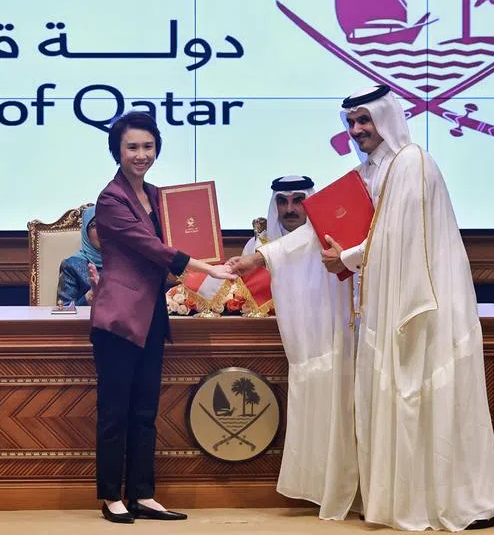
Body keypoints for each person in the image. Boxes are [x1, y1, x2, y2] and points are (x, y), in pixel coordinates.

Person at [228, 85, 494, 531]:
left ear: (386, 117)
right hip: (386, 302)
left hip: (422, 305)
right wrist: (260, 257)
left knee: (424, 396)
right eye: (351, 122)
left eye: (364, 119)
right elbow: (315, 230)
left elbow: (398, 233)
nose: (357, 129)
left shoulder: (412, 162)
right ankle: (401, 499)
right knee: (398, 398)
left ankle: (456, 500)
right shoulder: (370, 171)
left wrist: (346, 258)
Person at [89, 111, 235, 524]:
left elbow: (179, 241)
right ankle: (110, 496)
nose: (141, 154)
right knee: (115, 412)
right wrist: (207, 267)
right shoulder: (110, 199)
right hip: (119, 318)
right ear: (117, 151)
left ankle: (142, 493)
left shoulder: (158, 196)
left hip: (152, 314)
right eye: (132, 147)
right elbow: (151, 248)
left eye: (148, 146)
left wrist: (205, 263)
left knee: (144, 411)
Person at [255, 175, 358, 519]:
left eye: (299, 200)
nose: (290, 209)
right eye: (282, 202)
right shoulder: (258, 248)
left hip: (331, 349)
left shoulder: (331, 245)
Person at [56, 205, 101, 307]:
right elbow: (64, 309)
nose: (102, 231)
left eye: (106, 224)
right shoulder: (72, 266)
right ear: (86, 232)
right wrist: (90, 296)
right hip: (85, 318)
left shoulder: (123, 263)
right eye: (95, 225)